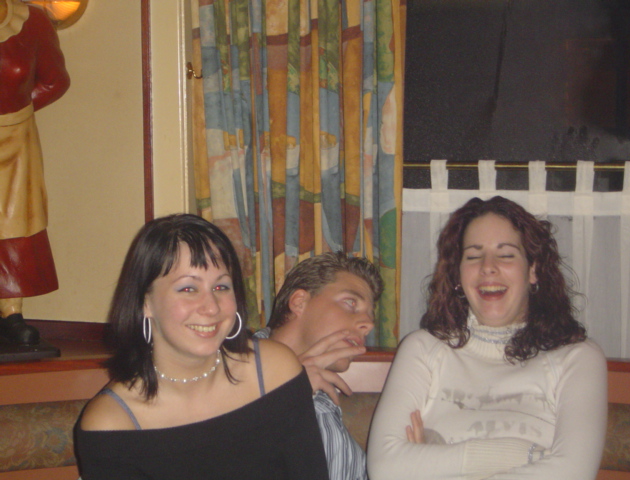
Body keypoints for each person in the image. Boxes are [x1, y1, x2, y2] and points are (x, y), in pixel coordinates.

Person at [367, 196, 608, 480]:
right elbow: (384, 468)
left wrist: (431, 462)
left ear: (532, 270)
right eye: (473, 256)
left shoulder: (577, 357)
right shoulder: (423, 348)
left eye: (506, 255)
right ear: (458, 275)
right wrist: (526, 455)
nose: (488, 266)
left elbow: (573, 473)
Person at [75, 214, 329, 480]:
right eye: (188, 289)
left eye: (221, 286)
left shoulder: (275, 371)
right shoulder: (113, 423)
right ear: (145, 303)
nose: (211, 307)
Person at [255, 252, 384, 480]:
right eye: (350, 303)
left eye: (370, 316)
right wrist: (285, 392)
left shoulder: (324, 394)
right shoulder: (229, 369)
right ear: (299, 302)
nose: (368, 324)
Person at [0, 0, 70, 344]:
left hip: (16, 139)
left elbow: (55, 81)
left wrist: (17, 116)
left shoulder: (33, 21)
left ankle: (11, 313)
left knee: (16, 223)